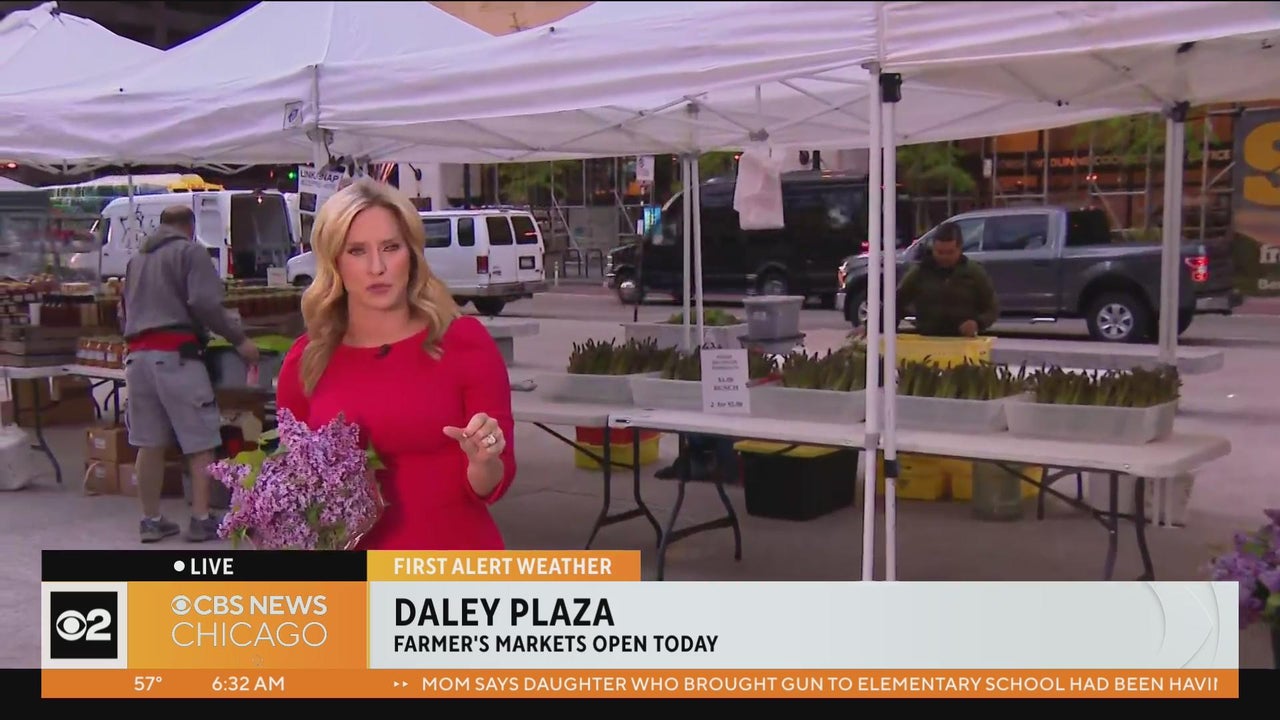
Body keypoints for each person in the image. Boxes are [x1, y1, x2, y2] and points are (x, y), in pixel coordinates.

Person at [275, 179, 516, 551]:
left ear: (412, 254)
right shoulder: (307, 360)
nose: (377, 267)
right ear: (335, 262)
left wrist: (483, 461)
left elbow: (493, 485)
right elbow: (296, 483)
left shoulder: (465, 343)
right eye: (357, 251)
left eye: (391, 247)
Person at [121, 205, 259, 543]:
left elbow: (122, 312)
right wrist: (239, 339)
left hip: (137, 360)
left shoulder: (136, 260)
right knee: (201, 441)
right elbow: (204, 302)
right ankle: (201, 518)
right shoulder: (190, 252)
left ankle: (150, 520)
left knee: (149, 443)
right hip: (177, 356)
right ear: (190, 226)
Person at [857, 221, 999, 338]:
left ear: (960, 248)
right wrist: (872, 327)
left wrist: (977, 323)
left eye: (950, 252)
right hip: (928, 340)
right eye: (940, 252)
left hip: (964, 343)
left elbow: (992, 308)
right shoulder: (920, 272)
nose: (944, 257)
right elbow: (896, 303)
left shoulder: (974, 272)